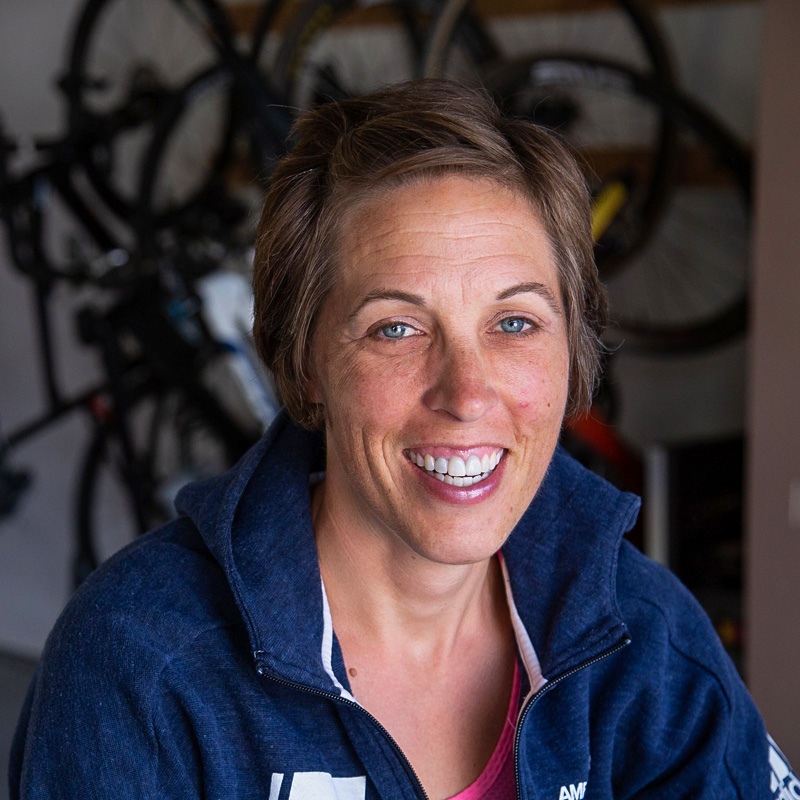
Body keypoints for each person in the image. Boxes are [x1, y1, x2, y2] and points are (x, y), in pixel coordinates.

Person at [9, 80, 797, 800]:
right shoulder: (141, 666)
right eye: (395, 328)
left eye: (514, 322)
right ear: (308, 361)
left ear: (572, 351)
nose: (467, 393)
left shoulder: (646, 640)